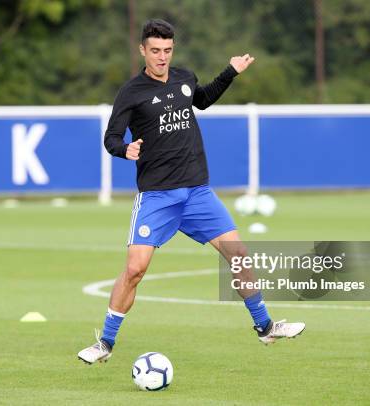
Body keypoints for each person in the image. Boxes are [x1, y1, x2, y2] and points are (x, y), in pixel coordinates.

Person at [78, 19, 304, 364]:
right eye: (155, 51)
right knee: (135, 269)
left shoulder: (184, 77)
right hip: (158, 195)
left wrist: (230, 72)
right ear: (142, 50)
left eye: (167, 50)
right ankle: (105, 344)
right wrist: (125, 150)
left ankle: (265, 327)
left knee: (239, 254)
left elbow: (203, 101)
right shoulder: (131, 92)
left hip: (197, 192)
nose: (162, 57)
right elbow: (111, 137)